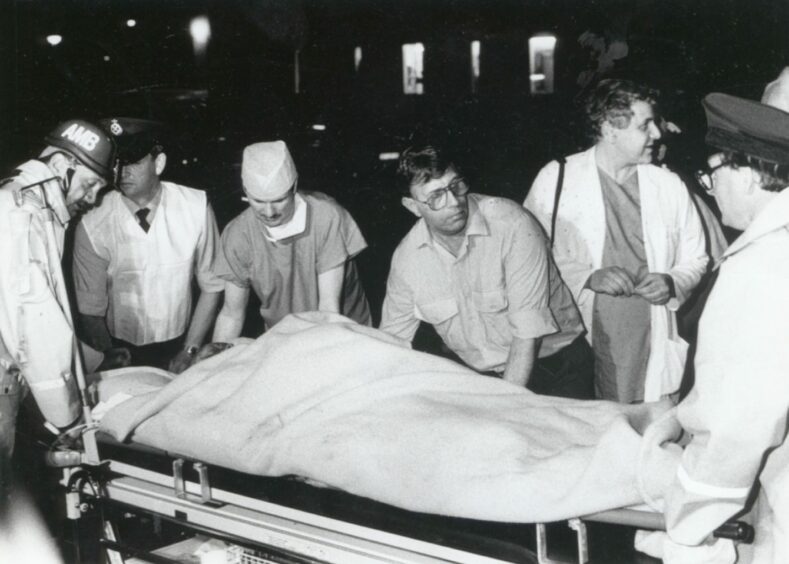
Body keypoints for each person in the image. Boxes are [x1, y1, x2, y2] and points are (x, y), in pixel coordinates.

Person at [659, 75, 789, 564]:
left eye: (713, 171)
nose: (709, 187)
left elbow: (738, 425)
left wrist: (689, 526)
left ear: (751, 174)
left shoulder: (761, 268)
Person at [524, 79, 708, 403]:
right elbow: (527, 255)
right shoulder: (557, 177)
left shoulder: (669, 186)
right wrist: (588, 276)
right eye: (645, 125)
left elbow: (697, 258)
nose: (657, 134)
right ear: (610, 130)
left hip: (651, 339)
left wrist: (672, 281)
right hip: (579, 343)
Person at [379, 143, 594, 399]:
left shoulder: (512, 224)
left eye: (456, 185)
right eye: (436, 196)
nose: (454, 202)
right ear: (413, 206)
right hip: (484, 379)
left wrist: (503, 409)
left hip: (555, 367)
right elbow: (391, 344)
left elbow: (528, 334)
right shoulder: (408, 260)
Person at [0, 119, 115, 495]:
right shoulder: (24, 215)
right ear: (64, 166)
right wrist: (66, 419)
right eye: (90, 183)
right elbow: (35, 322)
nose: (93, 197)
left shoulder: (22, 199)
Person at [72, 118, 224, 373]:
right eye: (118, 163)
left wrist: (190, 350)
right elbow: (90, 307)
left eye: (134, 162)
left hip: (181, 341)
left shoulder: (195, 207)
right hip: (118, 347)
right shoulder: (91, 222)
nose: (123, 172)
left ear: (159, 163)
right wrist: (107, 356)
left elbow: (212, 285)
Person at [212, 141, 371, 340]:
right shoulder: (237, 234)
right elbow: (231, 314)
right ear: (245, 191)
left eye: (279, 200)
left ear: (294, 186)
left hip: (344, 328)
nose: (269, 212)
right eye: (258, 201)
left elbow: (329, 308)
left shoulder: (326, 216)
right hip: (283, 334)